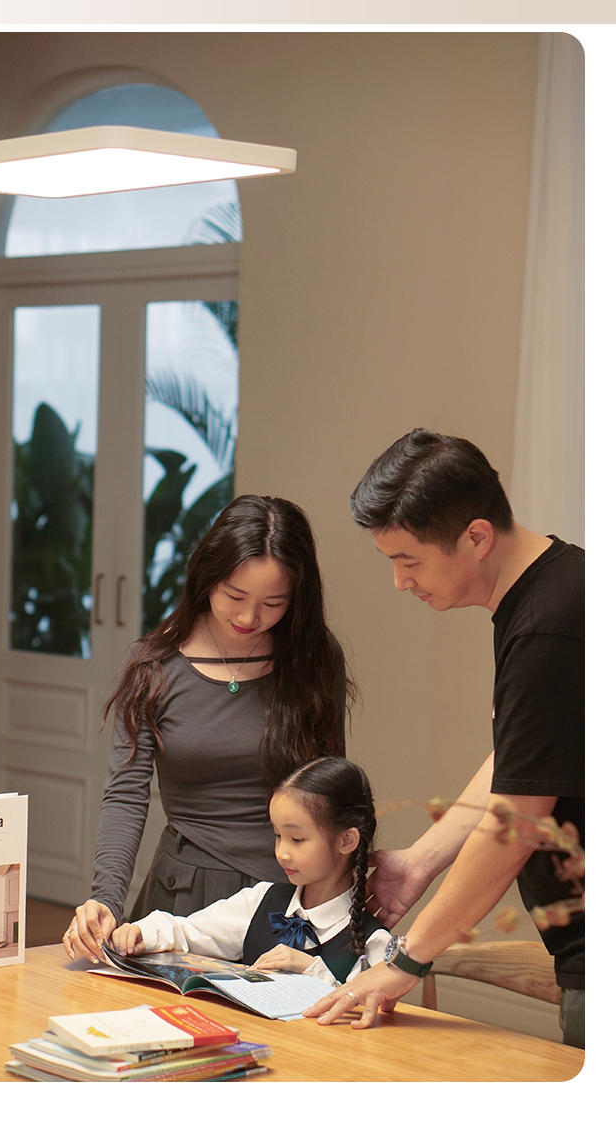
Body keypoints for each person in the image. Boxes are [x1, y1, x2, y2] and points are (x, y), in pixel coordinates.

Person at [304, 429, 584, 1047]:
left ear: (476, 537)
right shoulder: (558, 588)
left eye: (409, 561)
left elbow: (516, 824)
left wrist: (406, 961)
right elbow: (524, 761)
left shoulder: (549, 627)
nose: (400, 582)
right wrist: (421, 862)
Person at [64, 494, 357, 964]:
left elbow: (329, 792)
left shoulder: (315, 659)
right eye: (234, 597)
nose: (248, 618)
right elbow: (126, 793)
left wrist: (340, 893)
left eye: (273, 603)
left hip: (286, 895)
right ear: (206, 577)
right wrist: (107, 898)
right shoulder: (154, 664)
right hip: (185, 893)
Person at [108, 758, 390, 985]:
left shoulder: (374, 943)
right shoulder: (261, 900)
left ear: (347, 841)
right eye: (277, 835)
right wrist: (142, 932)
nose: (282, 852)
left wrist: (313, 971)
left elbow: (369, 1020)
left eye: (297, 839)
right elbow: (188, 932)